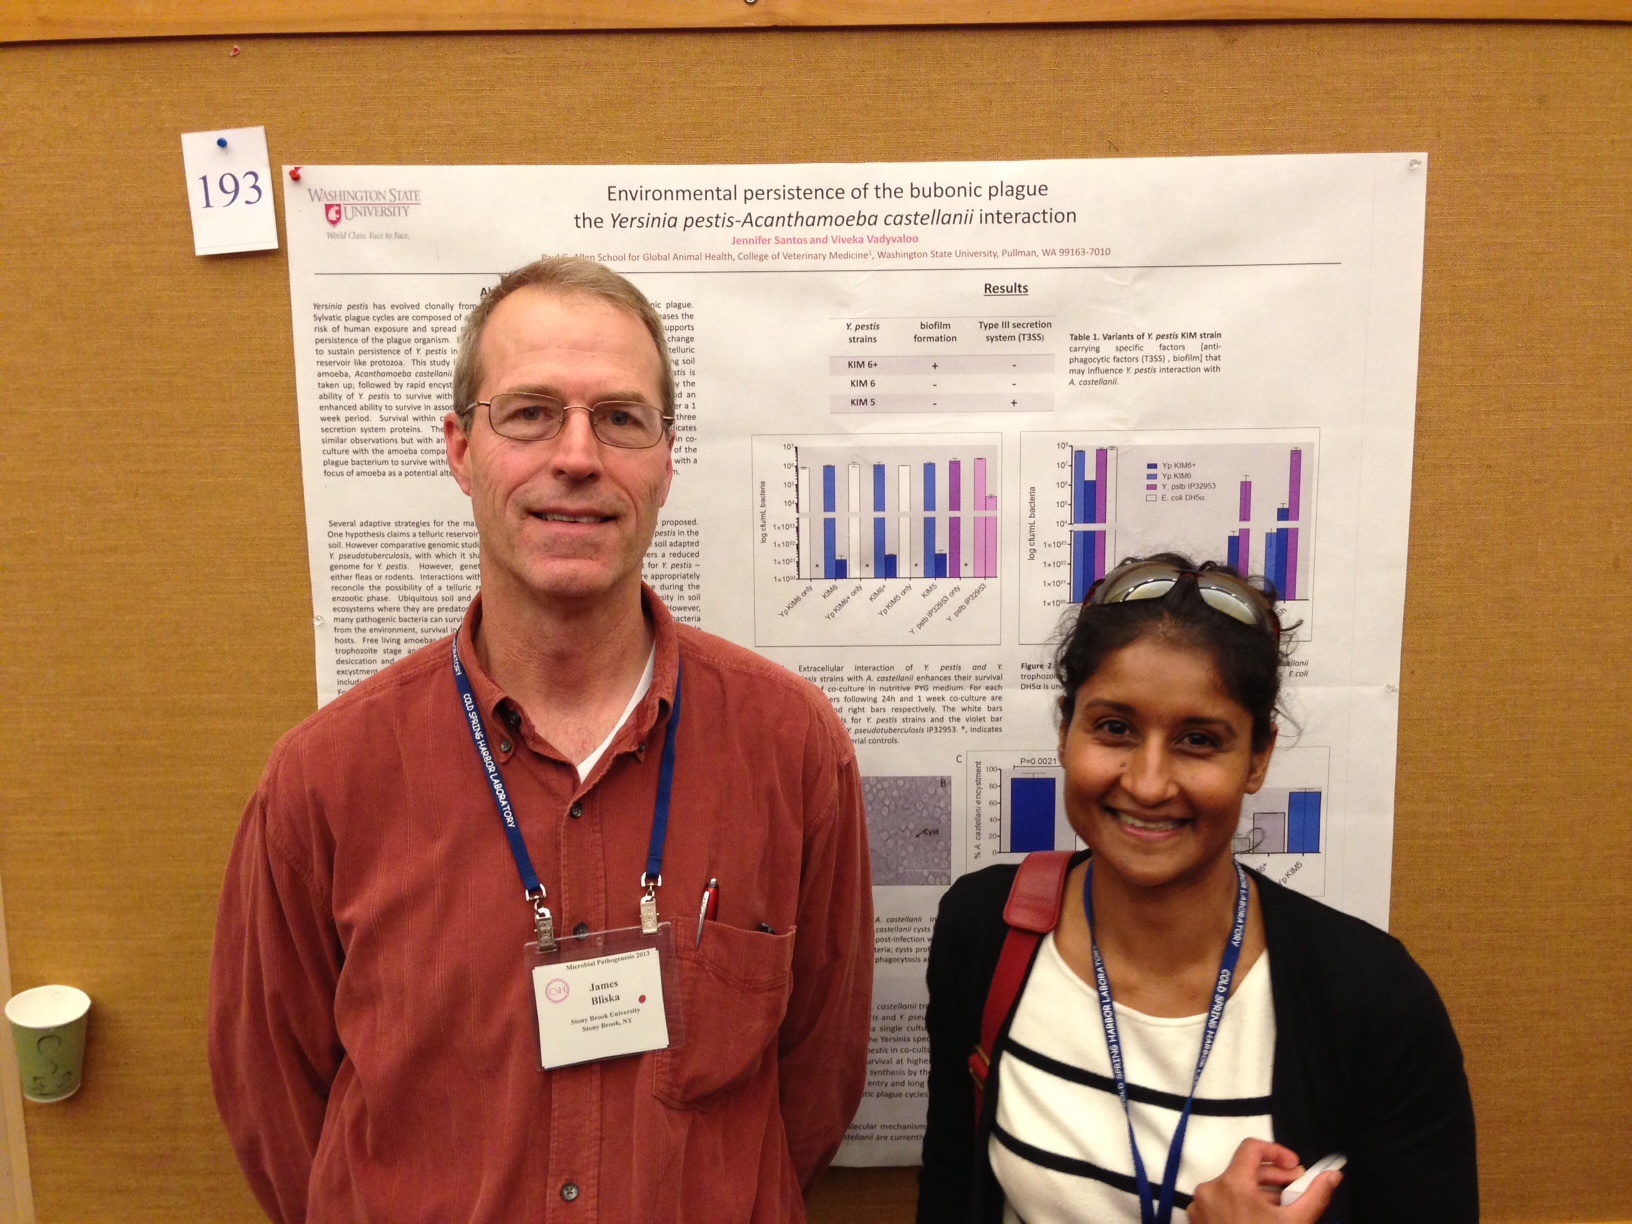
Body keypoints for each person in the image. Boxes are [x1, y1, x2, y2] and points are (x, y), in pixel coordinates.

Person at [210, 257, 873, 1223]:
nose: (577, 455)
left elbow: (817, 1079)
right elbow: (276, 1108)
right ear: (460, 449)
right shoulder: (324, 779)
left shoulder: (791, 748)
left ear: (666, 460)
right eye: (529, 413)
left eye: (621, 418)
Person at [917, 555, 1477, 1223]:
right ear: (1066, 730)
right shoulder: (987, 929)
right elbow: (950, 1187)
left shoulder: (1375, 1002)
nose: (1149, 783)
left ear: (1258, 757)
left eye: (1198, 740)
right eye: (1115, 728)